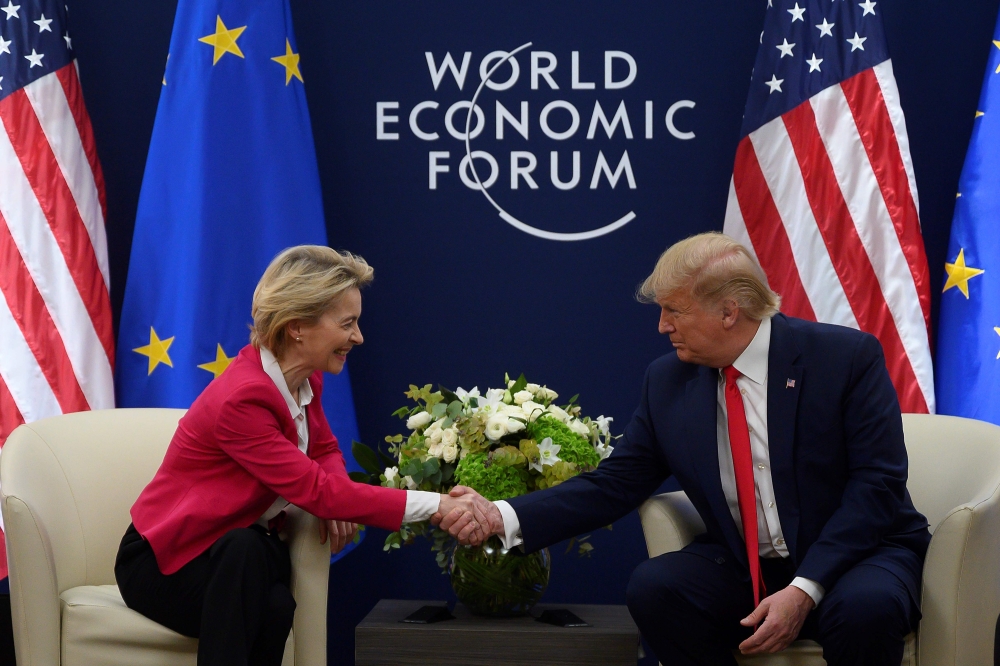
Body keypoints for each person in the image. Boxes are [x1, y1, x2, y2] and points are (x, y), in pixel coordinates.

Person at [435, 232, 930, 666]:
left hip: (855, 556)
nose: (662, 326)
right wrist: (503, 516)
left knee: (866, 609)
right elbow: (616, 483)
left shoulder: (843, 359)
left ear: (728, 312)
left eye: (674, 310)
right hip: (746, 564)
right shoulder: (669, 381)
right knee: (657, 589)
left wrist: (804, 589)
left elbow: (876, 486)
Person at [116, 245, 486, 666]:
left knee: (274, 601)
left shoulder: (305, 379)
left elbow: (325, 450)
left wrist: (340, 497)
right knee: (249, 556)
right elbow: (315, 490)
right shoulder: (243, 399)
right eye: (348, 324)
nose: (359, 337)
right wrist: (437, 504)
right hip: (166, 563)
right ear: (297, 328)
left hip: (235, 554)